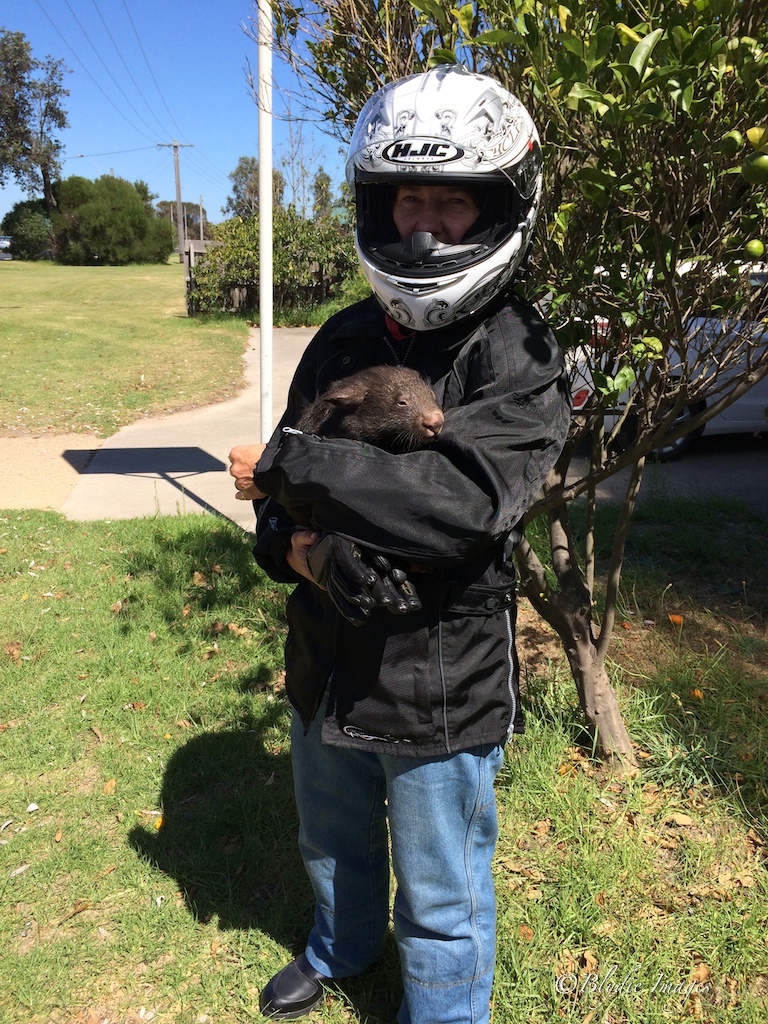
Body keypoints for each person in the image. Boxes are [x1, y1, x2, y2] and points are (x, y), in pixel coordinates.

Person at [229, 65, 571, 1024]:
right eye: (408, 197)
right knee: (330, 836)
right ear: (378, 204)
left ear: (500, 207)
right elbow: (266, 504)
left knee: (443, 893)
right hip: (326, 653)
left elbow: (458, 503)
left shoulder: (519, 356)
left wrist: (293, 473)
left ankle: (444, 1011)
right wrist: (307, 553)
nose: (424, 225)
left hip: (440, 683)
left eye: (452, 202)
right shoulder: (340, 340)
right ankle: (340, 946)